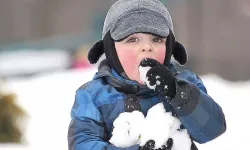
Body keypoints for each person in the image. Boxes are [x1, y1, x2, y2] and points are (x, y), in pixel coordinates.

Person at [68, 0, 226, 150]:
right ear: (111, 49)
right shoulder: (93, 95)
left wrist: (176, 92)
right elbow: (83, 144)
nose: (146, 47)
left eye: (157, 39)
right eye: (132, 39)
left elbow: (212, 128)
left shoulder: (184, 84)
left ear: (170, 47)